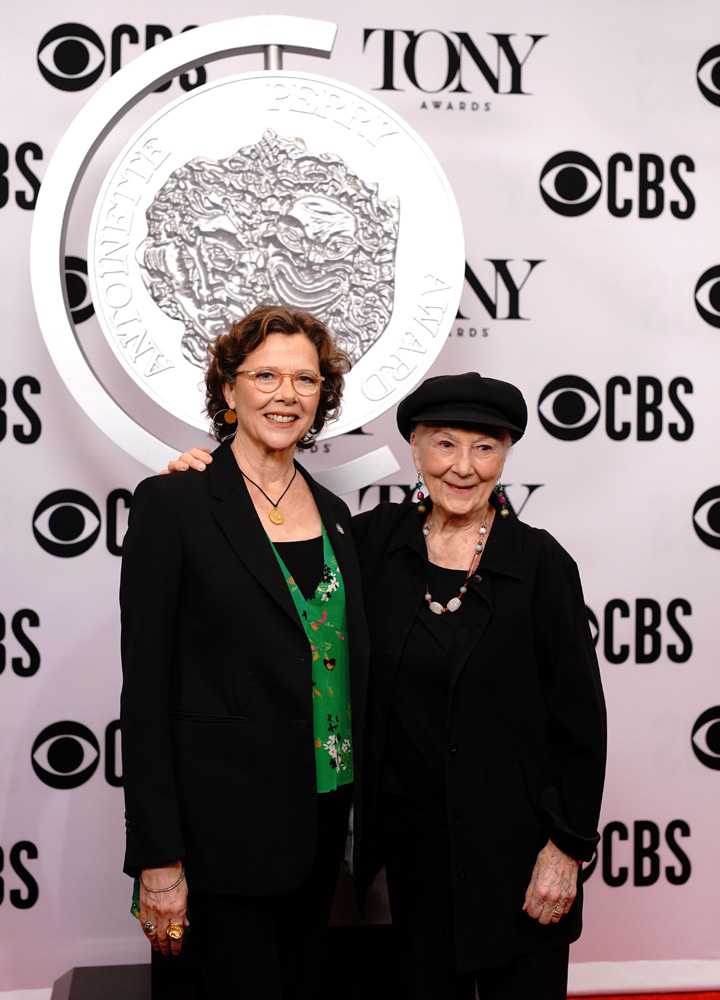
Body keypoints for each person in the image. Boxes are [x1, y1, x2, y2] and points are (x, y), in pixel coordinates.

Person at [169, 371, 606, 1000]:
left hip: (518, 846)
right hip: (412, 850)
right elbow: (263, 552)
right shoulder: (369, 544)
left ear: (507, 454)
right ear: (415, 450)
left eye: (484, 447)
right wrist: (200, 479)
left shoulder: (539, 564)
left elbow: (581, 723)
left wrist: (565, 848)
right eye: (444, 443)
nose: (463, 466)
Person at [120, 305, 369, 999]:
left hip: (323, 817)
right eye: (265, 375)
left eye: (305, 379)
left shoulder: (339, 517)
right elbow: (143, 692)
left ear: (323, 396)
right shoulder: (175, 503)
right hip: (219, 834)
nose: (286, 394)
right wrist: (158, 857)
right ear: (228, 390)